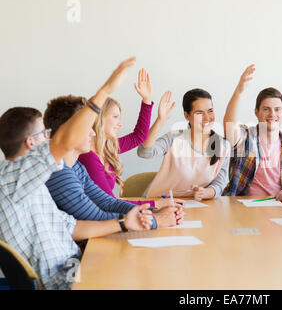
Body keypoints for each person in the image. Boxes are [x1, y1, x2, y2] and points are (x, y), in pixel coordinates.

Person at [0, 57, 152, 289]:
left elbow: (73, 227)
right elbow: (62, 140)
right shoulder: (11, 178)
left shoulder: (33, 184)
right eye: (44, 134)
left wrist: (124, 223)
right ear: (31, 143)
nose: (49, 137)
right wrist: (105, 91)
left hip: (75, 264)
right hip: (63, 280)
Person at [43, 95, 184, 225]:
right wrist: (155, 218)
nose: (92, 132)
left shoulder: (79, 166)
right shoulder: (68, 169)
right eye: (115, 117)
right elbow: (97, 216)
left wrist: (152, 212)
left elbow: (108, 203)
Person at [223, 65, 282, 201]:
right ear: (256, 112)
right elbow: (229, 124)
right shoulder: (245, 137)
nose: (272, 114)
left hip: (278, 208)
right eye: (266, 109)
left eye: (277, 109)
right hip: (242, 209)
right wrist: (239, 91)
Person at [137, 89, 230, 201]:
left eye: (210, 111)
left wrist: (205, 192)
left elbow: (219, 184)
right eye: (199, 113)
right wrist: (161, 120)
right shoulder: (174, 138)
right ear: (187, 116)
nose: (207, 118)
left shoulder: (223, 146)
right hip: (158, 202)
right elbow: (144, 152)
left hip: (194, 206)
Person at [78, 68, 154, 198]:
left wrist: (147, 100)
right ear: (99, 118)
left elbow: (139, 136)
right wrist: (155, 205)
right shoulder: (88, 157)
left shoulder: (107, 147)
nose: (120, 123)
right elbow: (110, 203)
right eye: (115, 117)